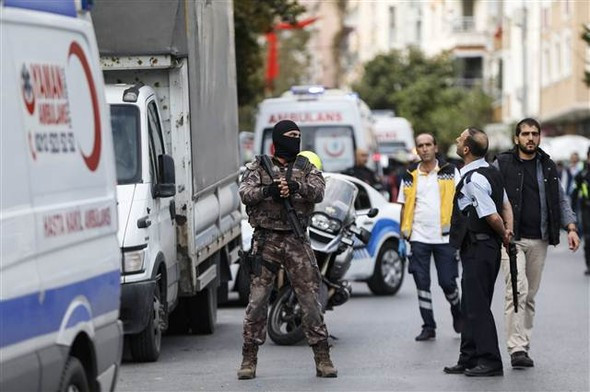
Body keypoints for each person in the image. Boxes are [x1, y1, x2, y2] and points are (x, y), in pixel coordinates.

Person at [237, 120, 337, 379]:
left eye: (298, 135)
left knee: (310, 300)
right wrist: (268, 190)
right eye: (291, 135)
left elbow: (319, 192)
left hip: (296, 239)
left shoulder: (306, 167)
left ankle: (322, 358)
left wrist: (296, 187)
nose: (296, 139)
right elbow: (245, 192)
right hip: (266, 240)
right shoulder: (259, 166)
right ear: (279, 138)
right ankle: (249, 359)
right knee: (257, 301)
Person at [493, 118, 580, 369]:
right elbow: (488, 195)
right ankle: (516, 347)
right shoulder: (503, 163)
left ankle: (524, 343)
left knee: (529, 295)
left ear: (539, 137)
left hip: (539, 239)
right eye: (525, 134)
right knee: (516, 291)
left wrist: (571, 228)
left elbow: (561, 200)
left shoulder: (548, 165)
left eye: (534, 134)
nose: (530, 138)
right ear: (516, 138)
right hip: (511, 238)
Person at [444, 127, 513, 377]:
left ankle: (490, 360)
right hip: (481, 246)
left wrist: (504, 232)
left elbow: (492, 214)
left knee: (477, 306)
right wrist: (509, 232)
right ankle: (468, 357)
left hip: (480, 246)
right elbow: (506, 205)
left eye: (460, 138)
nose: (456, 138)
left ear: (466, 149)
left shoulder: (474, 179)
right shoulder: (491, 173)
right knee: (471, 304)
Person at [397, 133, 463, 341]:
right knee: (422, 282)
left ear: (436, 147)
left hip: (445, 238)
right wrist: (403, 234)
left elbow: (462, 201)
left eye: (428, 145)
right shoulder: (409, 174)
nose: (424, 148)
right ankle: (428, 326)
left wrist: (461, 232)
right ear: (416, 149)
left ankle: (457, 310)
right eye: (420, 146)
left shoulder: (451, 171)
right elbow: (403, 205)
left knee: (448, 283)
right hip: (418, 237)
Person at [574, 147, 590, 275]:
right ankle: (589, 265)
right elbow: (575, 193)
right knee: (588, 238)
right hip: (586, 209)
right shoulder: (581, 175)